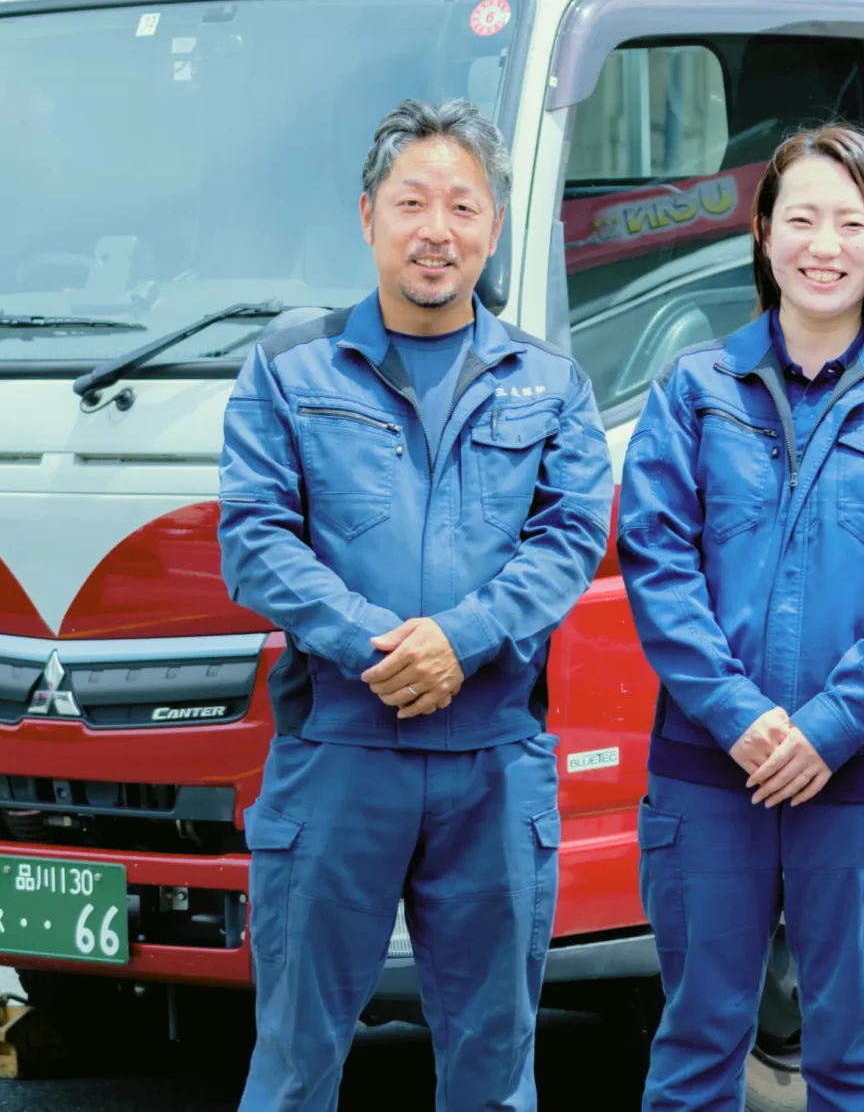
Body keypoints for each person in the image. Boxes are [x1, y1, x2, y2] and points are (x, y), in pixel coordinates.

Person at [218, 97, 613, 1111]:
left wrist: (461, 641)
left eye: (464, 207)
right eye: (412, 203)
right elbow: (255, 540)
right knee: (296, 1063)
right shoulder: (288, 367)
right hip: (338, 755)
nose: (437, 229)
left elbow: (568, 540)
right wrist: (378, 646)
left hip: (492, 763)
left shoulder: (548, 384)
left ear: (492, 228)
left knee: (492, 1068)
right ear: (368, 218)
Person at [618, 124, 864, 1111]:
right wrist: (740, 718)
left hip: (862, 775)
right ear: (766, 235)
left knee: (856, 1050)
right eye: (803, 219)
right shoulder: (693, 392)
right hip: (708, 772)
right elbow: (659, 570)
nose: (826, 245)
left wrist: (827, 726)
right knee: (697, 1044)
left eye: (851, 223)